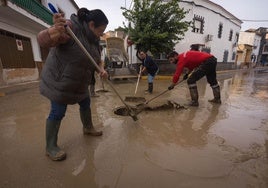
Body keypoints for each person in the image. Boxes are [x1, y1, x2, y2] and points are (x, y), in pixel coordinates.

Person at [37, 8, 109, 161]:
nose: (101, 34)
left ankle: (88, 127)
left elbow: (98, 60)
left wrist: (101, 69)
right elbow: (43, 40)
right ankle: (50, 147)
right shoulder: (72, 27)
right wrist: (54, 31)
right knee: (58, 112)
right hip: (60, 81)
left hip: (80, 83)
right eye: (101, 30)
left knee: (86, 102)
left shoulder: (95, 41)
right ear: (91, 24)